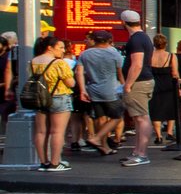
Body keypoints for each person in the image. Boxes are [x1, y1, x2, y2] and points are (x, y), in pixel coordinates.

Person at [30, 35, 76, 171]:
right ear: (50, 48)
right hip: (59, 96)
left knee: (40, 132)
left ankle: (43, 162)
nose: (62, 50)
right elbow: (70, 83)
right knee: (57, 132)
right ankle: (55, 163)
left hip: (40, 98)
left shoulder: (34, 61)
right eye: (60, 47)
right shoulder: (59, 63)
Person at [75, 31, 123, 157]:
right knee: (117, 116)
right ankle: (97, 138)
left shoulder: (85, 54)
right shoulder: (114, 53)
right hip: (111, 90)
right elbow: (120, 72)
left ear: (94, 40)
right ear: (109, 40)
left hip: (93, 89)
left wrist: (82, 90)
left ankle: (104, 146)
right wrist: (124, 87)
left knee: (100, 118)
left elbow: (79, 73)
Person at [119, 9, 156, 167]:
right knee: (139, 118)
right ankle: (137, 152)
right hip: (144, 80)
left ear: (124, 23)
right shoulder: (144, 37)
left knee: (141, 118)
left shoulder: (136, 40)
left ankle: (141, 154)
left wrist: (128, 84)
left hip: (138, 82)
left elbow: (137, 64)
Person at [149, 34, 179, 144]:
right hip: (169, 85)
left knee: (155, 110)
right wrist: (178, 87)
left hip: (154, 85)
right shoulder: (171, 56)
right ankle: (170, 133)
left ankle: (158, 136)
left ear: (154, 44)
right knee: (171, 109)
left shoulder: (149, 56)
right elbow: (175, 73)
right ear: (166, 44)